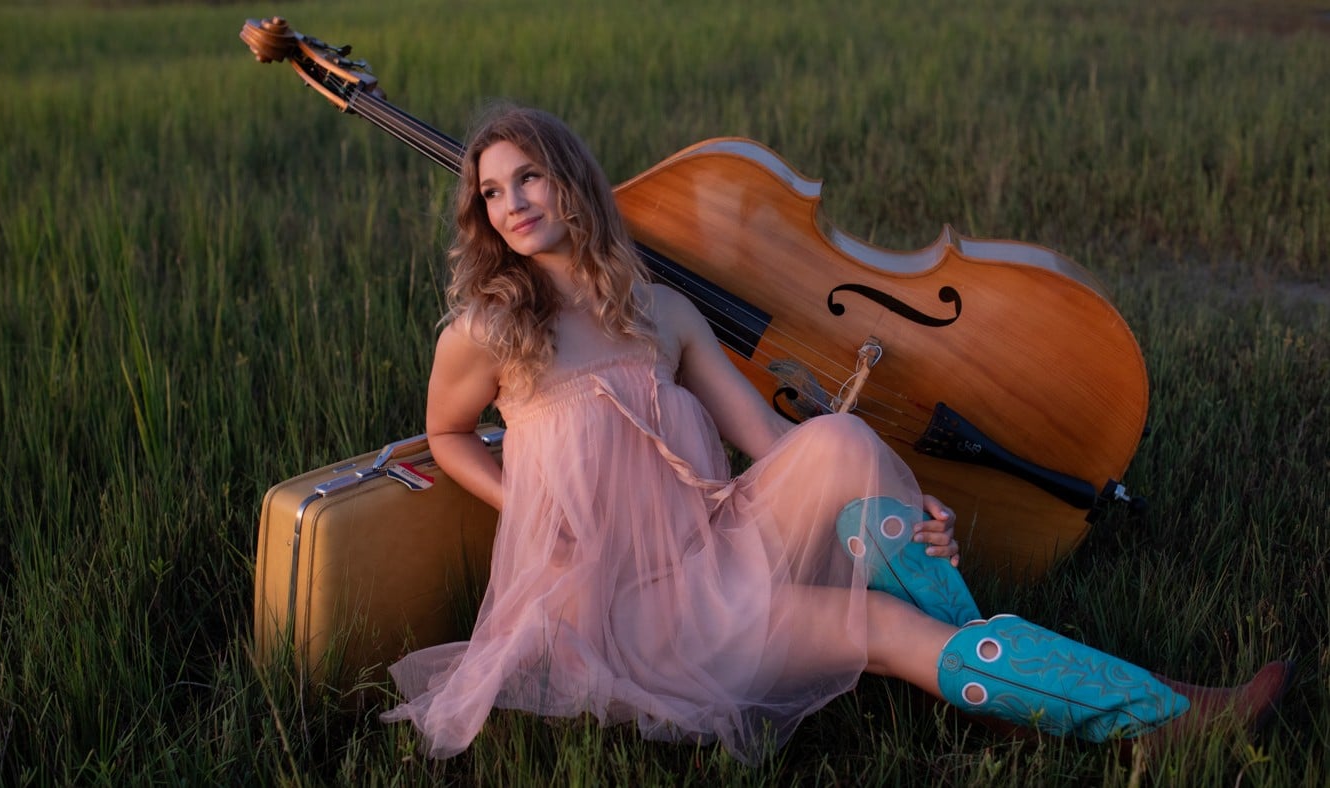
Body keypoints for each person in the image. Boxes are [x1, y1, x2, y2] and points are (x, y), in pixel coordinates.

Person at [379, 104, 1291, 762]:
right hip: (631, 613)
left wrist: (899, 493)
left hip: (714, 550)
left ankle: (1106, 702)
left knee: (843, 446)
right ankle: (1138, 709)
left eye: (528, 175)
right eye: (492, 191)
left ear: (571, 178)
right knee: (891, 626)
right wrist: (533, 502)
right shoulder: (491, 330)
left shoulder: (664, 313)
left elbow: (781, 459)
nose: (512, 202)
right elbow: (447, 434)